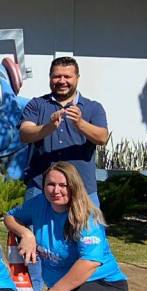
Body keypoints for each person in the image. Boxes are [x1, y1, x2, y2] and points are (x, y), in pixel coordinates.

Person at [4, 162, 127, 291]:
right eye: (50, 184)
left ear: (74, 186)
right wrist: (26, 234)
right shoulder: (39, 204)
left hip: (104, 285)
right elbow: (10, 217)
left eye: (63, 185)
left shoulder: (87, 217)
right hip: (68, 289)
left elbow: (89, 262)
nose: (56, 190)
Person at [20, 56, 108, 204]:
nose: (62, 81)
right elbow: (25, 134)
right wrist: (49, 127)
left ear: (77, 78)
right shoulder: (36, 104)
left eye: (67, 77)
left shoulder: (93, 107)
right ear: (50, 78)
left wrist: (80, 123)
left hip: (82, 188)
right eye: (57, 76)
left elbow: (102, 137)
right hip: (41, 187)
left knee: (87, 221)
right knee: (34, 220)